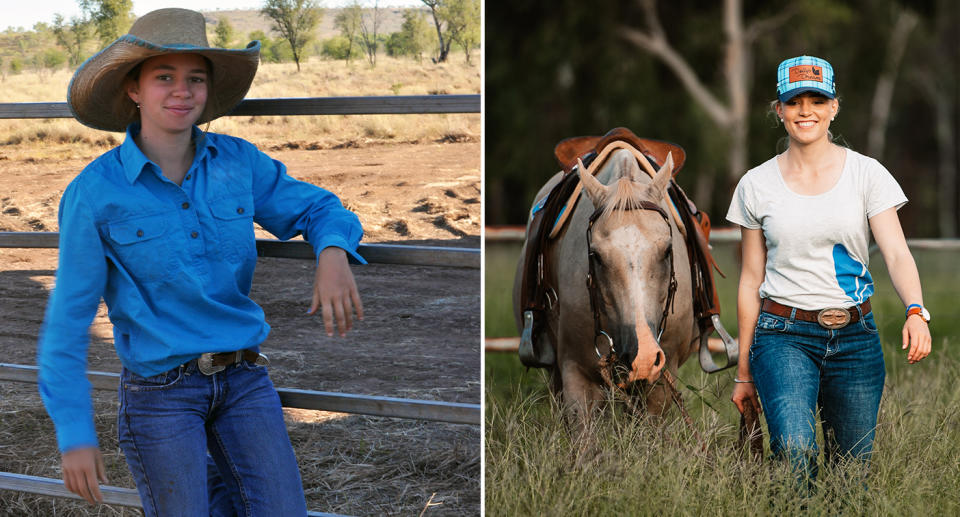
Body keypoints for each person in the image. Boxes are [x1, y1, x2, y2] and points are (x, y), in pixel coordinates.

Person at [37, 8, 365, 515]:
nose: (181, 91)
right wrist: (75, 435)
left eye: (195, 78)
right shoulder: (96, 193)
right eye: (163, 77)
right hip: (160, 392)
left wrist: (333, 252)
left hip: (243, 378)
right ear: (133, 89)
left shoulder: (238, 163)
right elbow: (66, 323)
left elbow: (319, 207)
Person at [726, 55, 932, 482]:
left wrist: (916, 310)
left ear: (834, 106)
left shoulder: (867, 174)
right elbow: (750, 281)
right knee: (796, 453)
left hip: (856, 340)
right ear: (778, 109)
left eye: (816, 100)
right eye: (794, 101)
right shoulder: (755, 184)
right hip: (783, 336)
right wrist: (743, 373)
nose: (806, 111)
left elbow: (895, 252)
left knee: (850, 476)